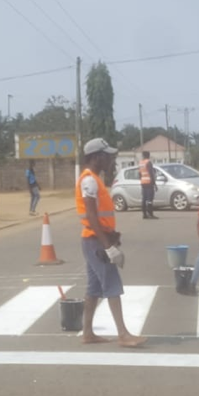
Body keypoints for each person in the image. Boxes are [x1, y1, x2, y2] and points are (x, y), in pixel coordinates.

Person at [76, 138, 146, 348]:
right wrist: (107, 245)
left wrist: (112, 234)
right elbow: (91, 215)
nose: (111, 160)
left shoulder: (94, 179)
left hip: (94, 238)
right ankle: (123, 334)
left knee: (94, 288)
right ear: (96, 157)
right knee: (112, 285)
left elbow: (99, 215)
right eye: (108, 156)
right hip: (96, 241)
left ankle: (87, 332)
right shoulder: (89, 181)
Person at [139, 151, 158, 219]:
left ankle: (144, 214)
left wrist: (141, 181)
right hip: (149, 183)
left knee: (144, 199)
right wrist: (154, 184)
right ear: (149, 156)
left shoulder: (141, 163)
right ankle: (150, 214)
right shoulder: (148, 162)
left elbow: (140, 174)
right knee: (150, 199)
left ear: (143, 156)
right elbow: (151, 173)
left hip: (143, 183)